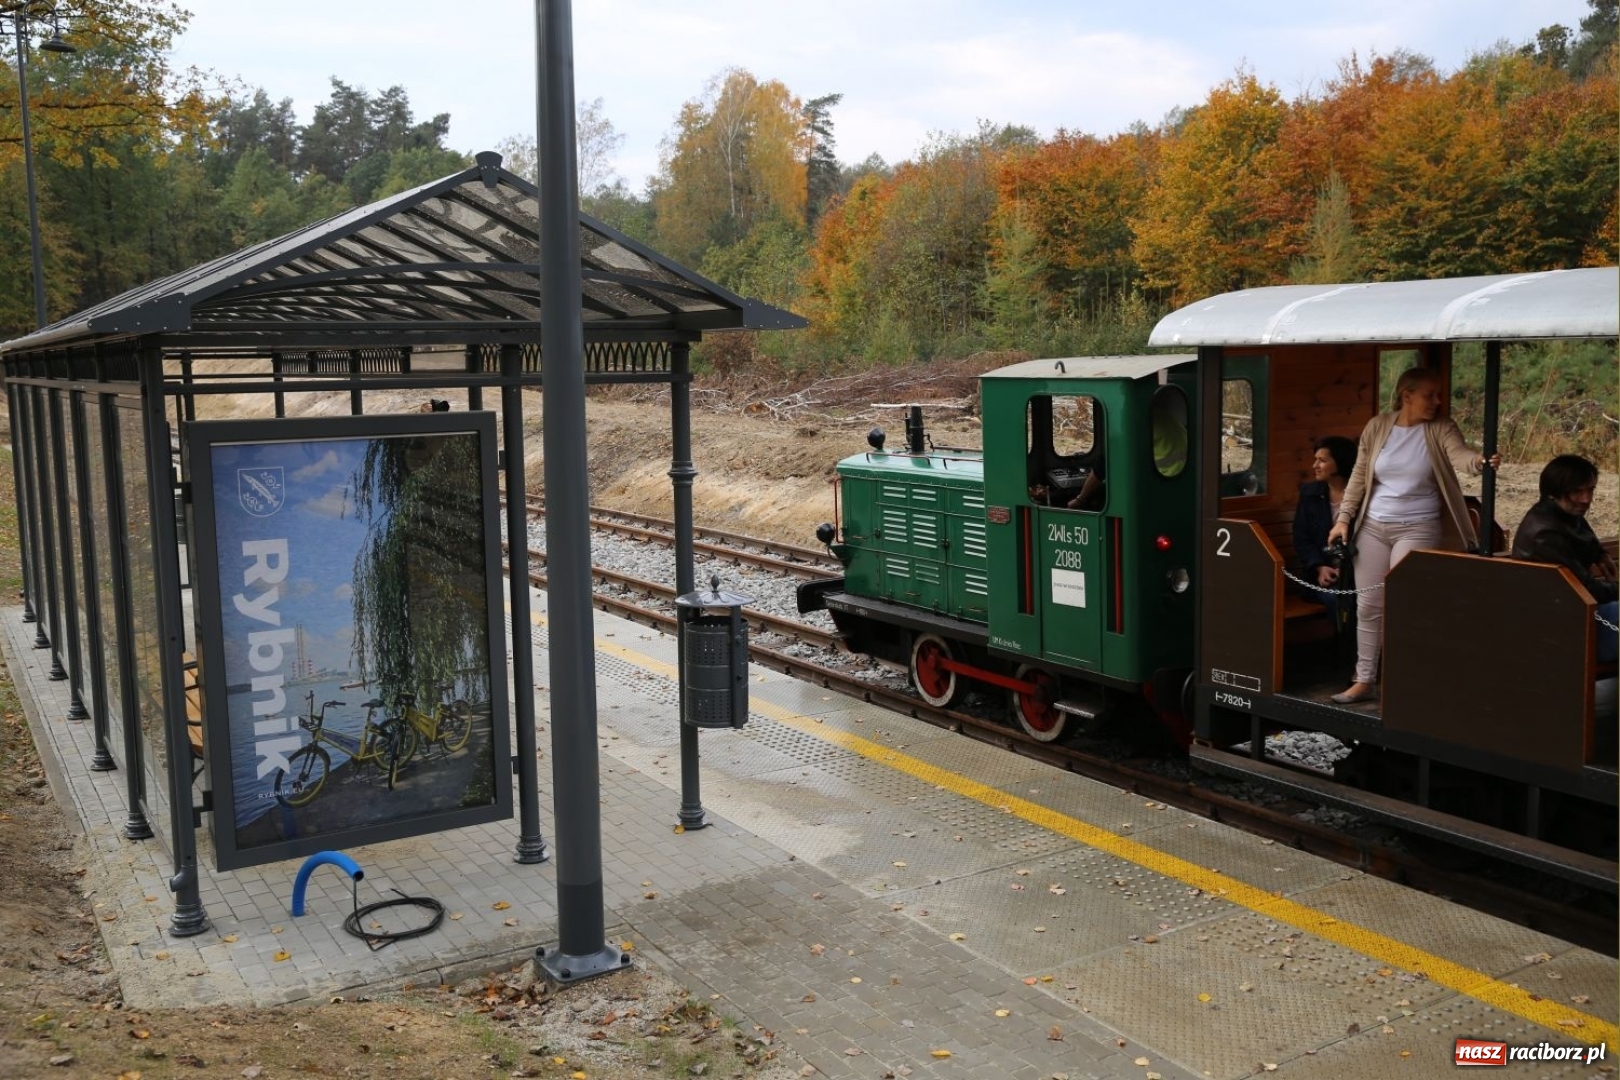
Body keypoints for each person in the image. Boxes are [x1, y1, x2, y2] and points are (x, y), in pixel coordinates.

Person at [1325, 368, 1499, 704]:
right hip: (1374, 526)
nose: (1437, 401)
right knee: (1369, 605)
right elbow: (1360, 475)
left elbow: (1459, 454)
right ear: (1407, 396)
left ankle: (1401, 680)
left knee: (1404, 603)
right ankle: (1364, 680)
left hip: (1418, 526)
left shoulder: (1441, 428)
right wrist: (1343, 519)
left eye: (1438, 395)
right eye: (1429, 395)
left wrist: (1480, 461)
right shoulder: (1378, 426)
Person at [1511, 454, 1618, 664]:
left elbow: (1584, 536)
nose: (1586, 499)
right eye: (1577, 491)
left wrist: (1601, 554)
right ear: (1554, 490)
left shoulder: (1562, 512)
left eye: (1590, 490)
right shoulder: (1544, 535)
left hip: (1575, 613)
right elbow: (1584, 589)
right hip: (1562, 628)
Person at [1292, 435, 1358, 632]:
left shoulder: (1363, 495)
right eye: (1315, 459)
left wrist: (1349, 570)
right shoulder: (1310, 494)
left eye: (1322, 460)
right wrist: (1319, 567)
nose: (1315, 465)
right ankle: (1346, 656)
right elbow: (1301, 538)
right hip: (1320, 577)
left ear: (1341, 462)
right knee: (1338, 599)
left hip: (1358, 575)